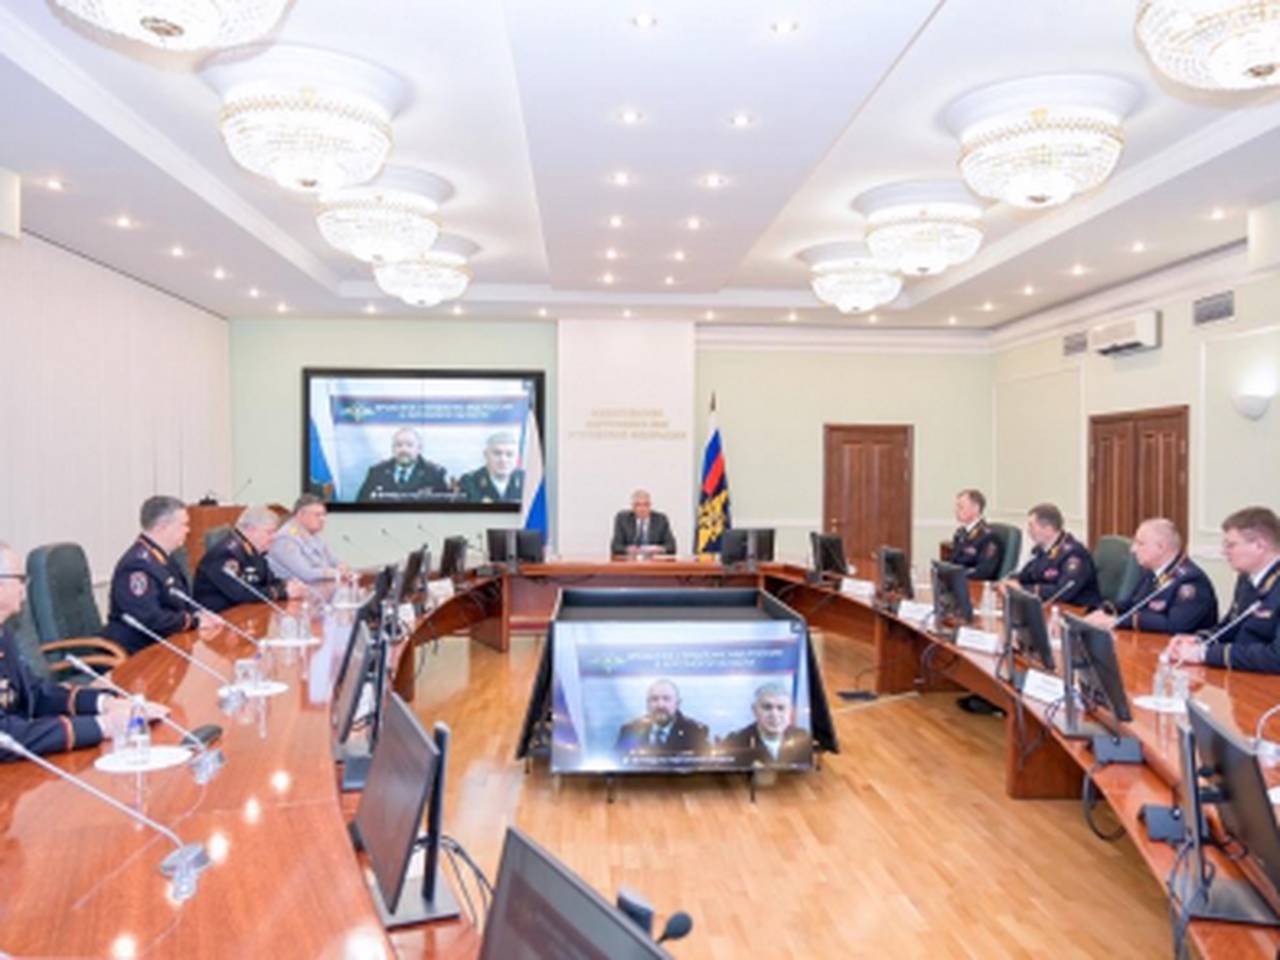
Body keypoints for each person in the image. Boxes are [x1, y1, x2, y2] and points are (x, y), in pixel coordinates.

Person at [1, 541, 163, 759]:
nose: (25, 587)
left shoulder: (4, 634)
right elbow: (6, 735)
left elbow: (37, 693)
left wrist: (104, 703)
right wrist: (102, 726)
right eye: (21, 579)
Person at [1169, 507, 1280, 672]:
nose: (1224, 552)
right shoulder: (1246, 578)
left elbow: (1276, 657)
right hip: (1242, 673)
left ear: (1259, 546)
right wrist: (1199, 640)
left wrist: (1205, 654)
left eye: (1231, 545)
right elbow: (1231, 625)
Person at [102, 495, 200, 654]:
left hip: (164, 642)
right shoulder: (136, 565)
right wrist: (191, 621)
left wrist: (199, 615)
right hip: (136, 652)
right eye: (184, 525)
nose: (188, 530)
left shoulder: (163, 556)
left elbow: (181, 599)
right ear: (162, 527)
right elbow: (150, 618)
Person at [1084, 518, 1217, 635]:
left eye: (1140, 543)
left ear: (1161, 547)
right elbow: (1133, 604)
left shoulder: (1191, 581)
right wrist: (1103, 610)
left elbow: (1174, 624)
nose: (1133, 549)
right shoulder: (1152, 571)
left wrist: (1118, 621)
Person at [194, 507, 304, 614]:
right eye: (269, 532)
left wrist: (287, 585)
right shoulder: (225, 554)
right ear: (250, 530)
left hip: (244, 612)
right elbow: (241, 593)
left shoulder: (253, 550)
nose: (273, 537)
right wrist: (283, 592)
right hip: (221, 617)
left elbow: (267, 580)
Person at [1006, 503, 1101, 608]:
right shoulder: (1042, 550)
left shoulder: (1074, 554)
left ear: (1048, 529)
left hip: (1077, 610)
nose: (1028, 531)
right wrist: (1010, 581)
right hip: (1051, 607)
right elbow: (1027, 575)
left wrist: (1023, 589)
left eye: (1031, 526)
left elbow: (1063, 591)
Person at [718, 683, 811, 766]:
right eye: (767, 707)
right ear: (754, 710)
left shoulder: (803, 739)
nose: (774, 714)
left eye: (781, 708)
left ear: (790, 711)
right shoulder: (735, 742)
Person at [614, 679, 708, 758]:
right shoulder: (631, 731)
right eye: (654, 699)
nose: (660, 705)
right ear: (647, 704)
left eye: (666, 699)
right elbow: (618, 762)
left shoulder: (694, 732)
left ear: (678, 703)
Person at [268, 494, 349, 583]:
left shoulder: (314, 536)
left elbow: (331, 559)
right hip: (300, 589)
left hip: (319, 587)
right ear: (301, 515)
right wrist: (335, 573)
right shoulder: (285, 539)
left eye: (324, 515)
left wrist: (341, 565)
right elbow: (305, 573)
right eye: (317, 515)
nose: (322, 519)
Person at [356, 428, 450, 502]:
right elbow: (361, 503)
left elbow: (444, 507)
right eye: (399, 445)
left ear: (419, 448)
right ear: (392, 448)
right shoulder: (377, 472)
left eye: (409, 445)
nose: (404, 450)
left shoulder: (434, 473)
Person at [948, 488, 1003, 581]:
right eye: (956, 507)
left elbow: (984, 572)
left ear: (975, 508)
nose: (956, 510)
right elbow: (954, 562)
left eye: (961, 507)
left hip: (974, 585)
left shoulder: (989, 537)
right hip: (958, 582)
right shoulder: (960, 533)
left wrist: (956, 575)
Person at [459, 432, 525, 504]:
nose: (503, 460)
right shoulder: (470, 481)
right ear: (486, 455)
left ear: (517, 458)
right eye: (497, 453)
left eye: (509, 454)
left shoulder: (526, 480)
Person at [610, 490, 677, 557]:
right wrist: (628, 549)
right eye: (638, 505)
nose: (642, 509)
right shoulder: (623, 519)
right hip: (631, 560)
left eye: (646, 505)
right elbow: (615, 547)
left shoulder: (660, 519)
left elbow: (671, 547)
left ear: (650, 506)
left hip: (654, 561)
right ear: (633, 507)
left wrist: (660, 549)